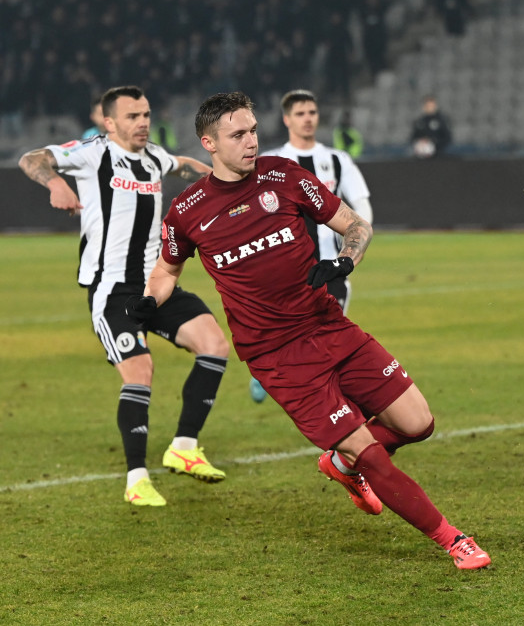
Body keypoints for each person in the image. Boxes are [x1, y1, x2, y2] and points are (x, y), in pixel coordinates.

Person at [138, 91, 490, 569]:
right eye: (238, 135)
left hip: (328, 324)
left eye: (253, 131)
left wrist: (345, 260)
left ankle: (340, 463)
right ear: (209, 143)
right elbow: (166, 270)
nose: (251, 142)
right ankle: (453, 540)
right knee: (368, 452)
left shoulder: (283, 176)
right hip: (276, 355)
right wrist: (150, 300)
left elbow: (355, 225)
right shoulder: (188, 209)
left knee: (417, 423)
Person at [18, 85, 227, 507]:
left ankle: (184, 448)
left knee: (215, 345)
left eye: (146, 114)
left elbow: (183, 165)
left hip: (156, 286)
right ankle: (136, 479)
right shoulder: (92, 153)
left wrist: (221, 179)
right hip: (113, 291)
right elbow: (31, 159)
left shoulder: (153, 158)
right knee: (140, 370)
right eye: (133, 116)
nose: (143, 122)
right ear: (109, 122)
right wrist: (55, 183)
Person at [253, 89, 374, 403]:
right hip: (286, 270)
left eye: (312, 112)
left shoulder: (337, 159)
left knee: (330, 343)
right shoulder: (272, 163)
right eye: (300, 113)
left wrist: (355, 241)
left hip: (331, 267)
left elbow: (361, 205)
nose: (307, 119)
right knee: (290, 337)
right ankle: (270, 366)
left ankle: (334, 410)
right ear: (286, 119)